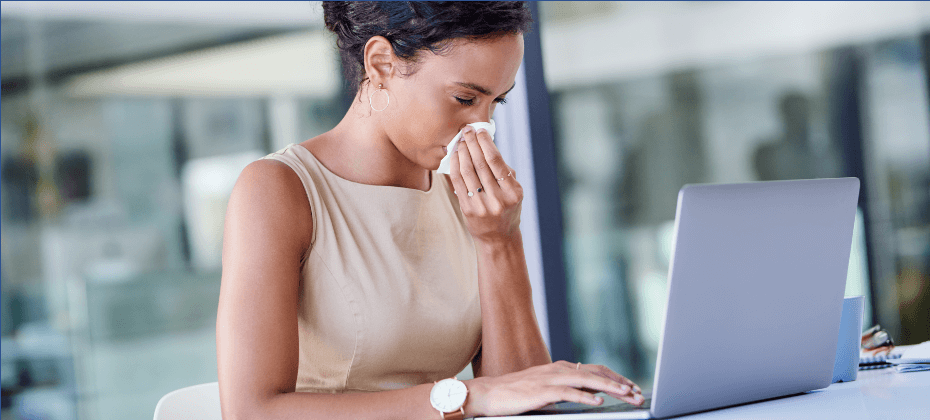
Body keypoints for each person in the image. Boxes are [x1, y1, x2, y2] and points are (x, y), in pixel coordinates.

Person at [216, 2, 644, 418]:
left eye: (497, 103)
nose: (483, 127)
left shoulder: (469, 196)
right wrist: (466, 398)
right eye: (464, 99)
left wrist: (500, 241)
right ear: (382, 63)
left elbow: (523, 400)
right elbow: (252, 411)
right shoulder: (279, 189)